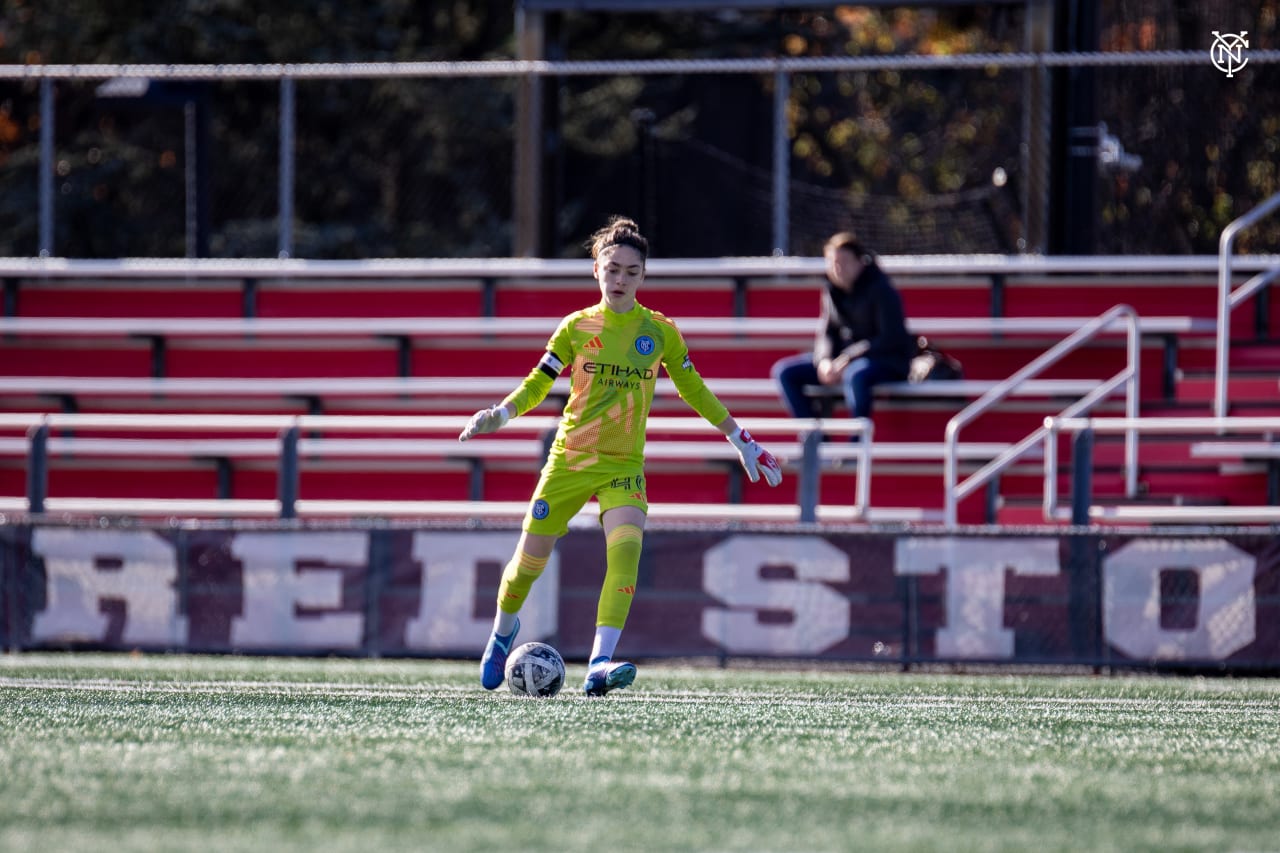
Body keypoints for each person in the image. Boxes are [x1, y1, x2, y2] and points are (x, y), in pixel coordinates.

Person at [459, 215, 783, 696]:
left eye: (632, 272)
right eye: (612, 269)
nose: (621, 279)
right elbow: (537, 384)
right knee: (527, 565)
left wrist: (741, 438)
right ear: (596, 270)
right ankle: (502, 633)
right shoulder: (575, 327)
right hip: (569, 460)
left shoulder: (660, 332)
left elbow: (694, 388)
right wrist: (501, 414)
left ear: (644, 276)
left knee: (626, 554)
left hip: (623, 467)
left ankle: (599, 664)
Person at [771, 232, 914, 426]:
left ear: (860, 262)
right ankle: (816, 440)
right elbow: (827, 332)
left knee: (855, 374)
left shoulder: (882, 289)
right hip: (843, 361)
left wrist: (849, 358)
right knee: (784, 372)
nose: (837, 268)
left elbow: (890, 338)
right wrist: (824, 361)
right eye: (832, 262)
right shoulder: (831, 290)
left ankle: (856, 446)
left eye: (844, 261)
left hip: (885, 361)